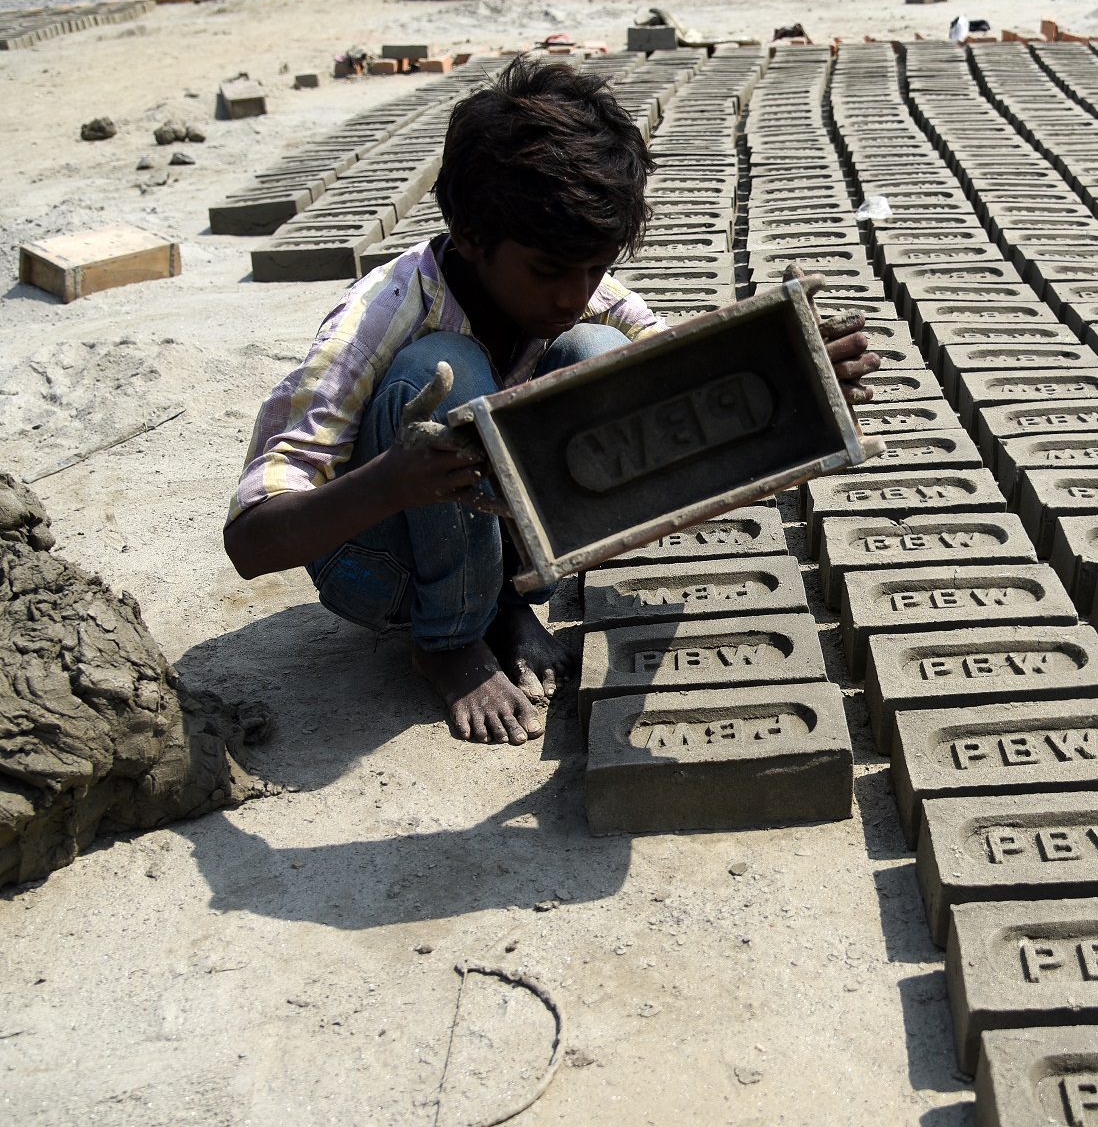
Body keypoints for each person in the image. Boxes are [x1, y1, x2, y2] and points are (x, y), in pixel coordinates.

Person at [223, 57, 877, 747]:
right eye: (549, 272)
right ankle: (447, 640)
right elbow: (250, 542)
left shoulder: (575, 290)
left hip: (495, 540)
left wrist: (788, 373)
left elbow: (676, 374)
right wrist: (389, 484)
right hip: (380, 569)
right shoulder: (375, 319)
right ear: (469, 233)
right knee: (441, 371)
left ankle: (506, 602)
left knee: (600, 357)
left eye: (597, 268)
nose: (574, 294)